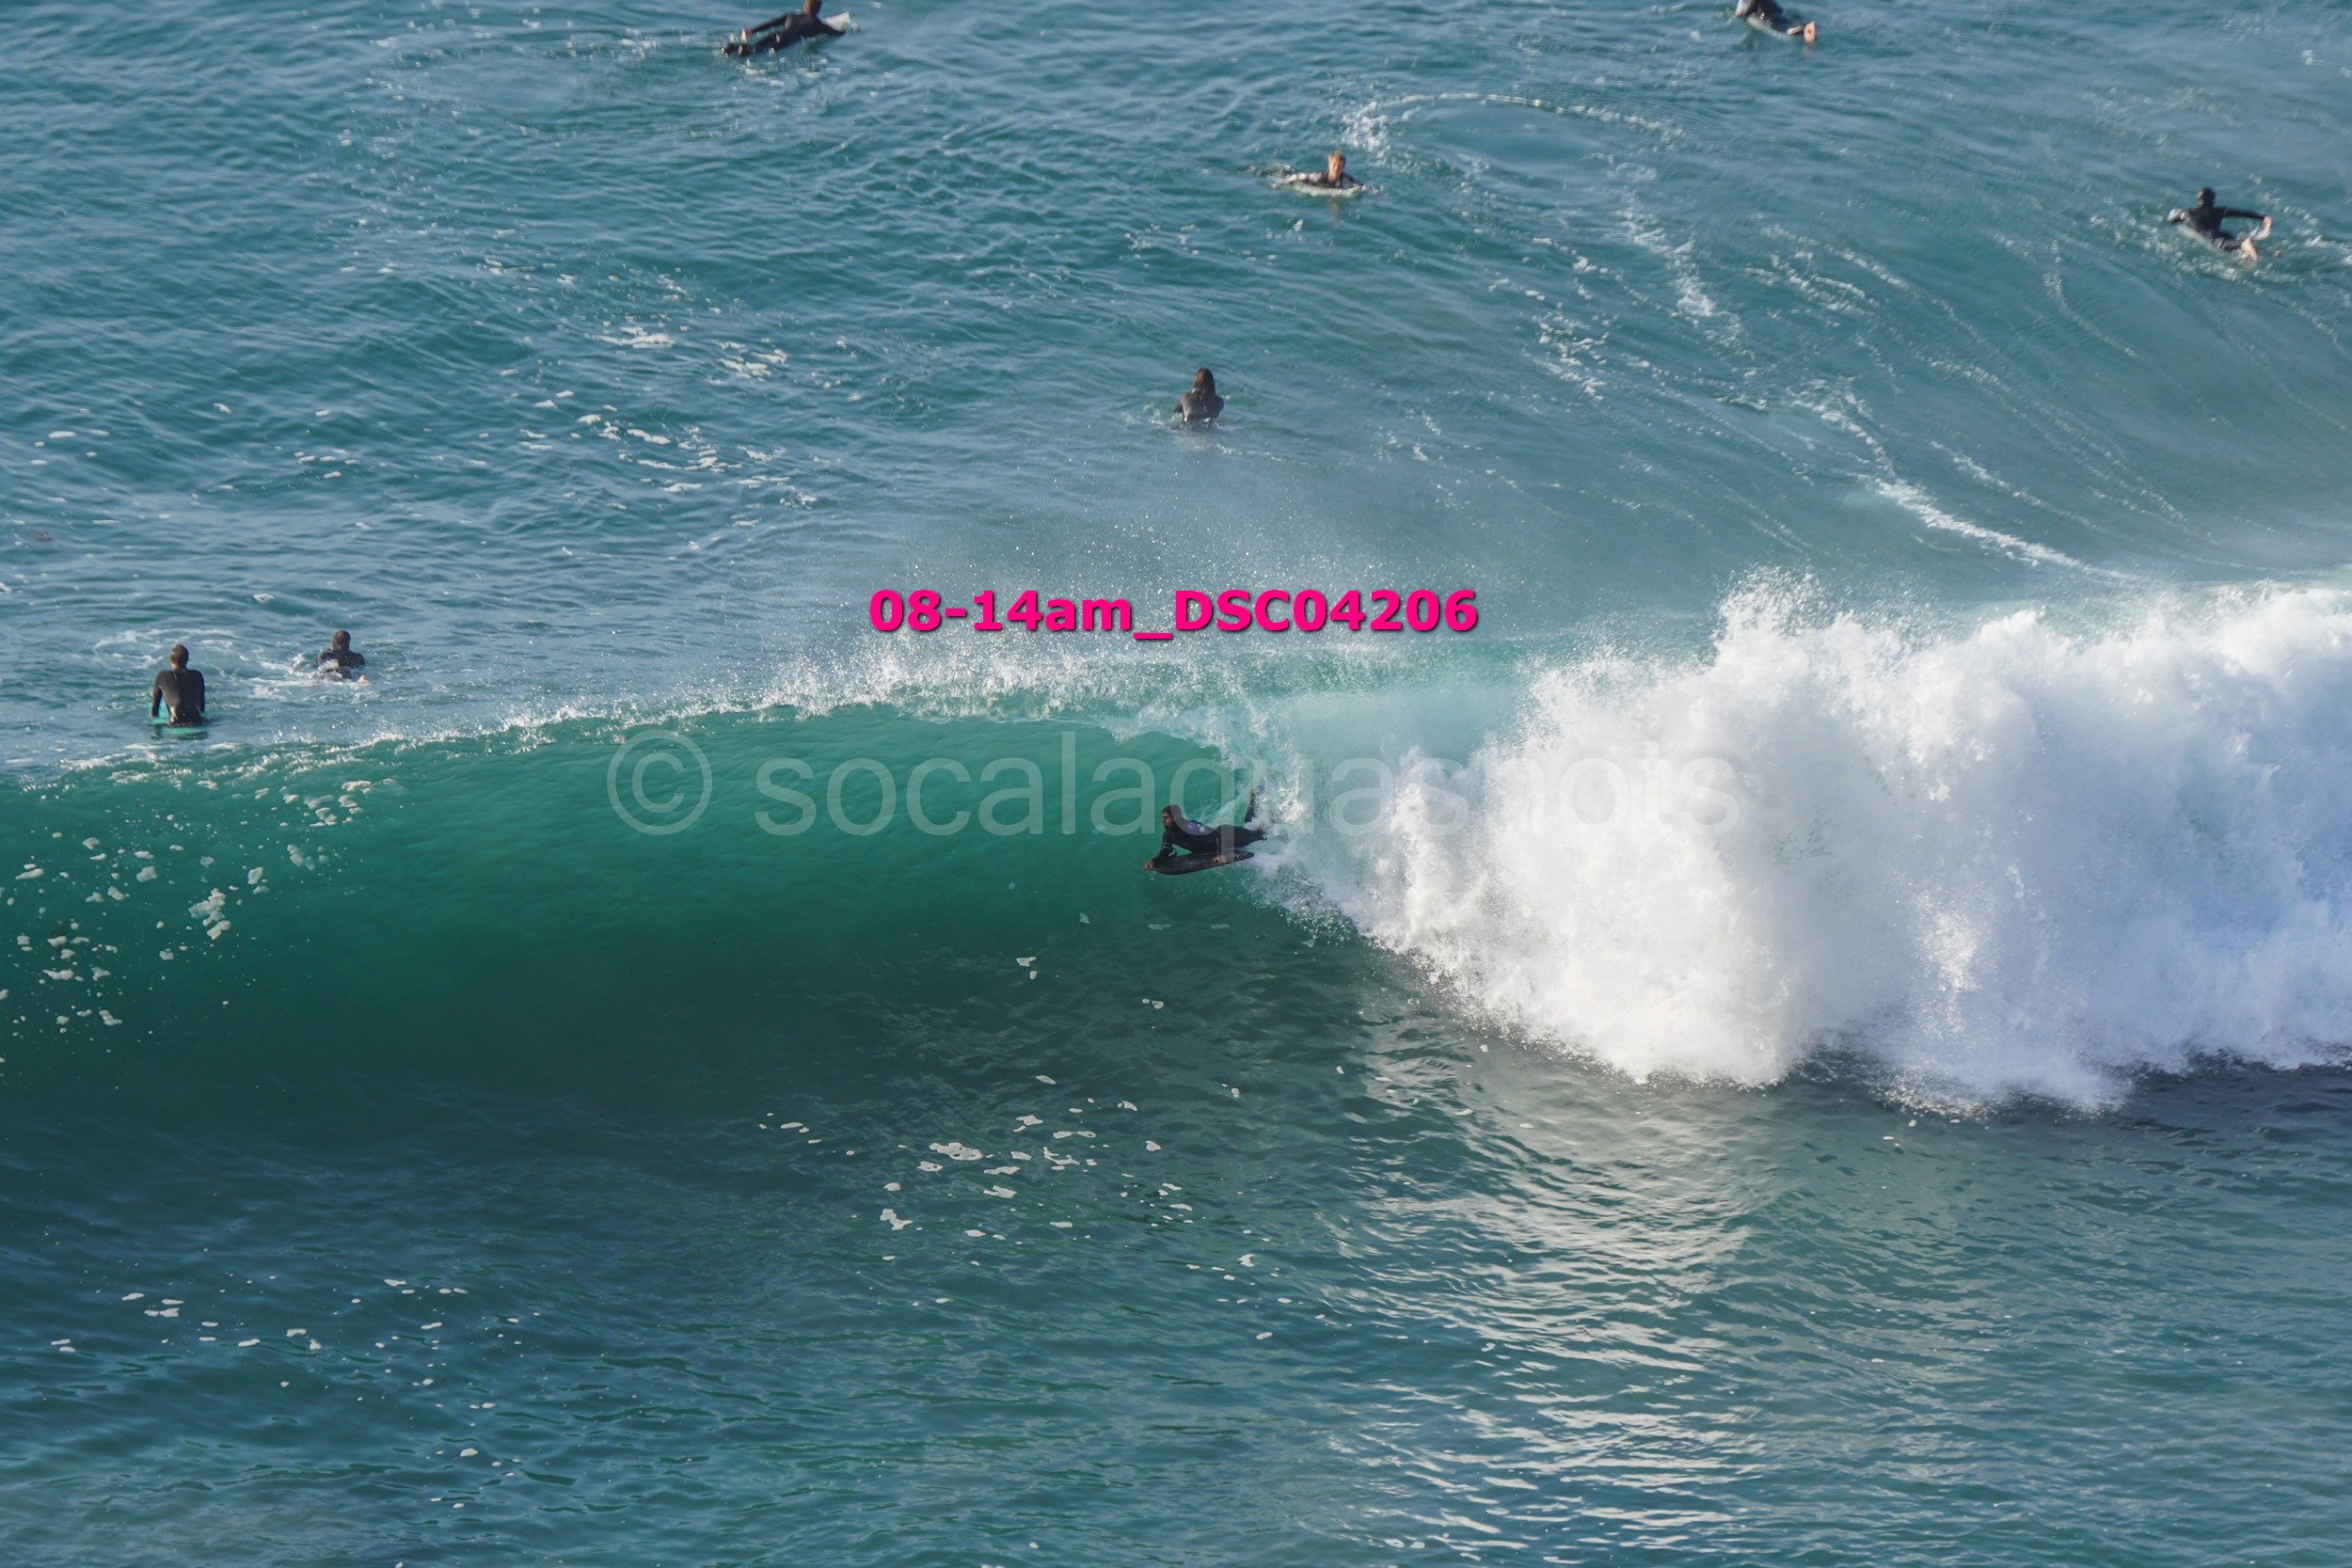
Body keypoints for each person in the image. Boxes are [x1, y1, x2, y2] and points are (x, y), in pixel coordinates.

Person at [1148, 789, 1265, 868]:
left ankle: (1256, 798)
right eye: (1163, 818)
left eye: (1167, 818)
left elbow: (1217, 834)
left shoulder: (1191, 827)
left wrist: (1221, 854)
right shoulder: (1168, 835)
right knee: (1249, 826)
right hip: (1219, 843)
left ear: (1176, 818)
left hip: (1229, 835)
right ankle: (1254, 798)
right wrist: (1154, 861)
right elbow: (1166, 850)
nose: (1164, 821)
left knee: (1261, 835)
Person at [2168, 188, 2271, 260]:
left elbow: (2171, 221)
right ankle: (2270, 253)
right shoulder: (2219, 211)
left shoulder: (2186, 214)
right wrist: (2263, 217)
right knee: (2233, 242)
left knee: (2224, 245)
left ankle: (2243, 244)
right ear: (2212, 200)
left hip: (2212, 237)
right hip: (2223, 233)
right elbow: (2241, 213)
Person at [724, 0, 846, 56]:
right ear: (818, 9)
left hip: (777, 33)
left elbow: (771, 23)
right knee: (762, 52)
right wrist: (849, 29)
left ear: (805, 6)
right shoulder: (819, 25)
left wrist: (752, 30)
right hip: (788, 40)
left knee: (758, 45)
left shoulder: (791, 15)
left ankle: (733, 47)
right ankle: (745, 50)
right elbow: (836, 33)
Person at [151, 644, 206, 727]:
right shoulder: (198, 675)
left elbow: (155, 711)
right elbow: (202, 708)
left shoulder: (162, 676)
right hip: (197, 720)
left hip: (175, 722)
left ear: (170, 660)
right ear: (187, 659)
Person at [1736, 0, 1817, 40]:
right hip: (1778, 12)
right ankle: (1805, 29)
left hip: (1770, 17)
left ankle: (1805, 28)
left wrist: (1741, 16)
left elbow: (1744, 14)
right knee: (1787, 23)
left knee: (1784, 30)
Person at [1283, 151, 1361, 192]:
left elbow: (1359, 185)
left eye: (1339, 166)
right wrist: (1283, 183)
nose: (1336, 168)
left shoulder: (1345, 178)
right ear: (1329, 165)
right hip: (1300, 179)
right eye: (1334, 165)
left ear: (1343, 167)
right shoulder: (1318, 176)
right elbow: (1300, 176)